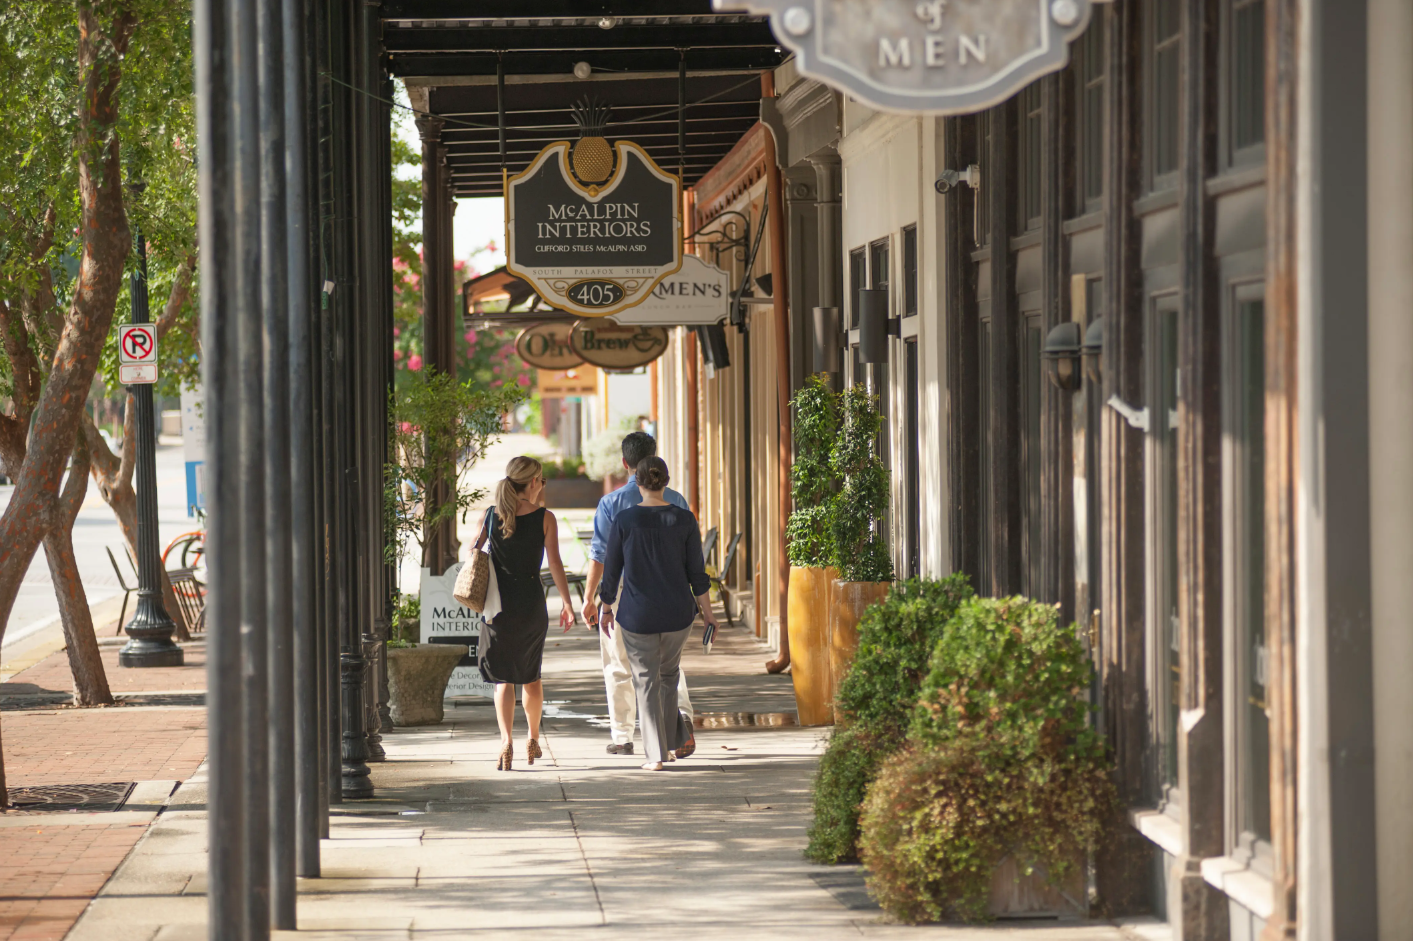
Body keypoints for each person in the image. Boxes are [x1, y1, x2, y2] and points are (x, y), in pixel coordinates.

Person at [598, 457, 719, 771]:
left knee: (646, 681)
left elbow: (611, 572)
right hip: (679, 614)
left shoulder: (624, 521)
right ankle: (670, 741)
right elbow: (698, 573)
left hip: (638, 615)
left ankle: (656, 755)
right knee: (668, 677)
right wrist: (708, 613)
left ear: (637, 482)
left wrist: (606, 607)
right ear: (666, 481)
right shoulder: (684, 519)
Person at [583, 431, 696, 756]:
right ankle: (681, 721)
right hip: (672, 592)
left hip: (625, 594)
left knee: (619, 664)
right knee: (668, 666)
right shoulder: (676, 500)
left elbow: (601, 555)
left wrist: (591, 599)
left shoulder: (612, 503)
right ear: (655, 458)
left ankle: (622, 736)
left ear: (625, 463)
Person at [475, 456, 575, 772]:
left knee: (503, 678)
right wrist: (568, 603)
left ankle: (506, 741)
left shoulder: (491, 515)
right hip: (531, 604)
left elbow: (474, 554)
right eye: (540, 480)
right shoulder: (546, 518)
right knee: (531, 675)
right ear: (533, 482)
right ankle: (533, 737)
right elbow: (555, 564)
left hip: (497, 606)